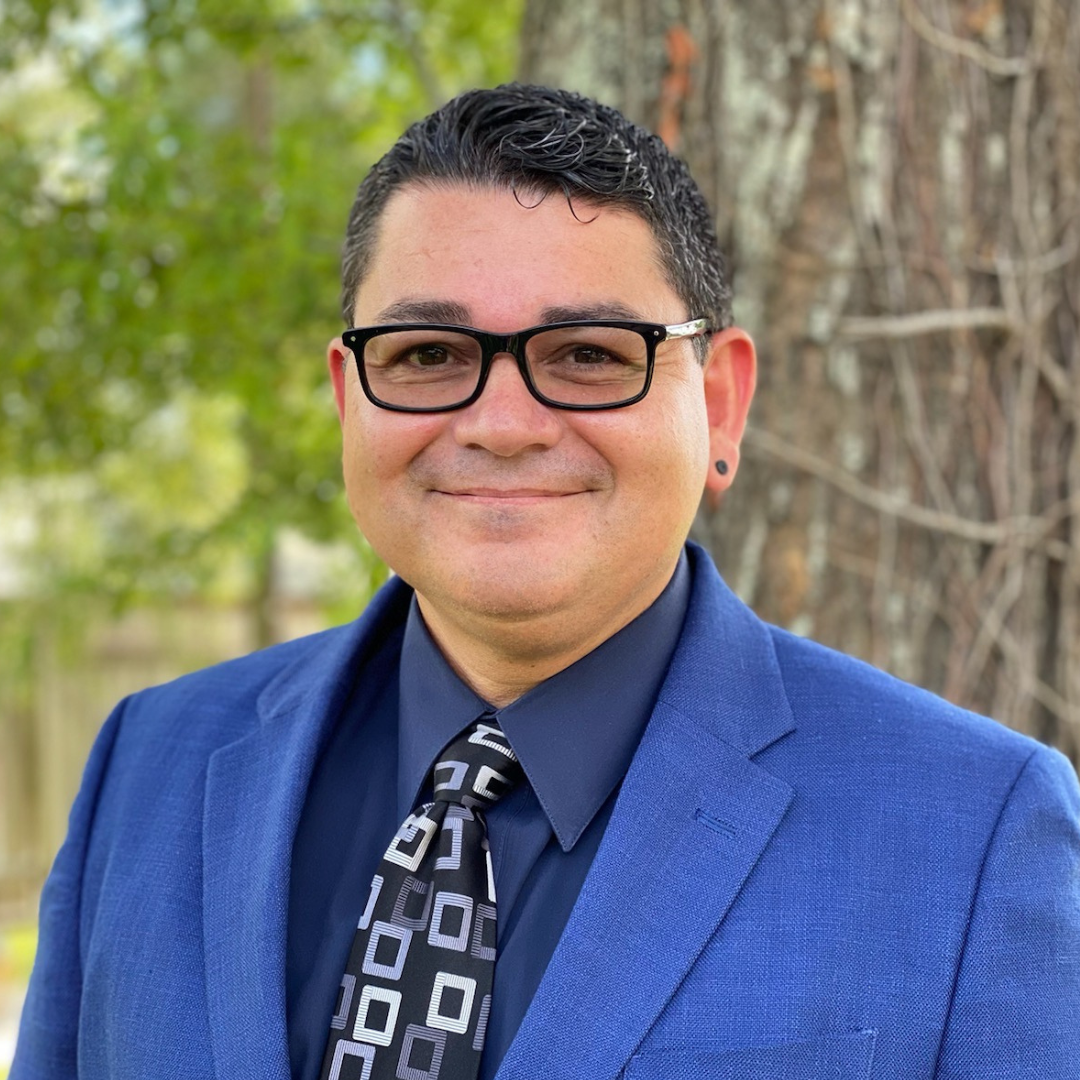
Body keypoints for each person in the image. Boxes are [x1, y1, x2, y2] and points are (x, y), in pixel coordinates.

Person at [12, 84, 1080, 1080]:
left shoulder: (975, 832)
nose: (504, 425)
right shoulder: (147, 766)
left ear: (722, 405)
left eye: (588, 354)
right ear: (350, 398)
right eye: (428, 353)